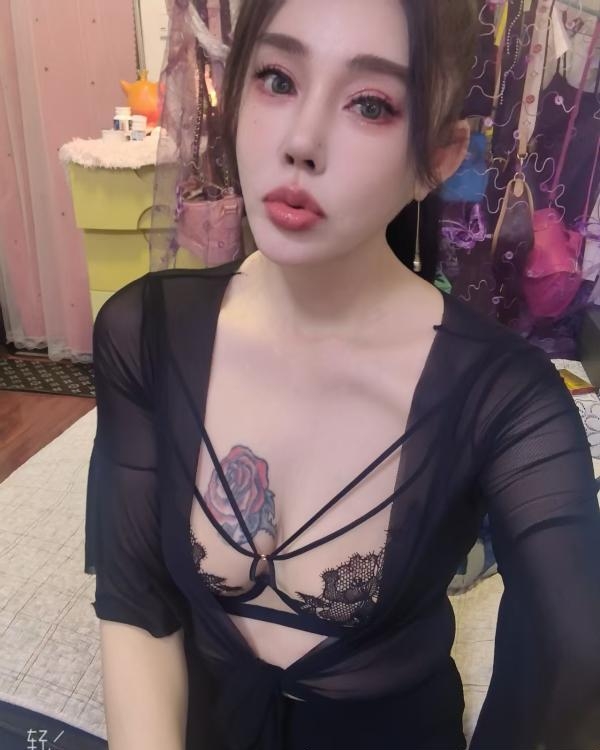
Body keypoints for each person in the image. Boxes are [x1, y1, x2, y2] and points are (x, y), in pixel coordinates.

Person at [85, 1, 600, 748]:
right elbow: (136, 604)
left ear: (439, 157)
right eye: (277, 78)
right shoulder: (145, 331)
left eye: (370, 104)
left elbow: (575, 654)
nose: (300, 142)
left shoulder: (504, 396)